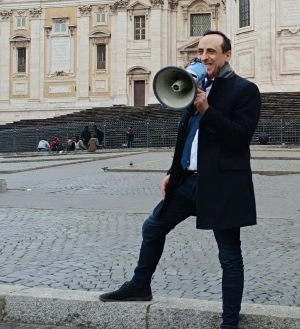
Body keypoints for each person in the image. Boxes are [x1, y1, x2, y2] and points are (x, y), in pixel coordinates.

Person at [99, 30, 261, 329]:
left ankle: (229, 323)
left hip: (222, 185)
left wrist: (207, 110)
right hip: (188, 180)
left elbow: (239, 137)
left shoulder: (244, 90)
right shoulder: (193, 88)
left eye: (211, 51)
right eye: (200, 51)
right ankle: (140, 285)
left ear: (227, 55)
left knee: (229, 255)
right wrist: (174, 171)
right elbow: (187, 136)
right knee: (153, 227)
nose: (204, 57)